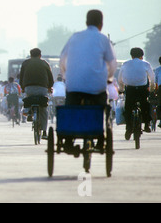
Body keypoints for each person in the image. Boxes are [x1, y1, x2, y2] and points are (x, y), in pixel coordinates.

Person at [60, 9, 117, 148]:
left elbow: (63, 58)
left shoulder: (74, 37)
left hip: (74, 85)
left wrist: (66, 76)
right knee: (100, 107)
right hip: (96, 86)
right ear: (101, 24)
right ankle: (100, 136)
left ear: (86, 23)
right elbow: (112, 62)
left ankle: (67, 138)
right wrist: (109, 78)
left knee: (71, 106)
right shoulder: (103, 39)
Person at [118, 47, 155, 139]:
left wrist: (121, 89)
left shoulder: (125, 64)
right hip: (142, 89)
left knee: (128, 108)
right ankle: (147, 124)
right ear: (142, 56)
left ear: (131, 55)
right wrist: (151, 89)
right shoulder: (146, 64)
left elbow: (120, 79)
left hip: (130, 89)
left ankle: (129, 127)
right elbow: (152, 78)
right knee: (145, 104)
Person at [19, 48, 54, 139]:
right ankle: (45, 132)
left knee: (29, 98)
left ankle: (29, 112)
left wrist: (23, 88)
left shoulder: (25, 63)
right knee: (43, 109)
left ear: (30, 55)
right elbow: (50, 78)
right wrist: (50, 87)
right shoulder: (45, 63)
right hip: (42, 89)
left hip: (29, 88)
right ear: (40, 55)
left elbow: (21, 77)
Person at [154, 56, 161, 127]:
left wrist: (155, 91)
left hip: (160, 88)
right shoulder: (157, 69)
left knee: (160, 104)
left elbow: (156, 82)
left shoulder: (158, 70)